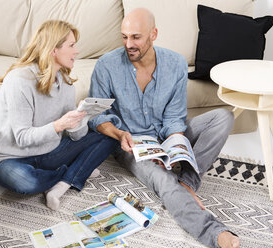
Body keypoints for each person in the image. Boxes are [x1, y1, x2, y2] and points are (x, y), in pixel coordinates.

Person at [89, 8, 239, 248]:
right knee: (163, 181)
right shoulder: (106, 66)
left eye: (136, 37)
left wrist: (172, 150)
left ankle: (187, 183)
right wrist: (119, 135)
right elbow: (96, 117)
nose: (129, 44)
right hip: (131, 145)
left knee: (223, 117)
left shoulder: (175, 63)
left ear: (153, 34)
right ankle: (212, 232)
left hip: (165, 135)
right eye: (124, 36)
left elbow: (174, 118)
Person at [0, 20, 118, 211]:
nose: (77, 51)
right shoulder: (19, 81)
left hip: (48, 152)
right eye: (71, 45)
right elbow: (23, 138)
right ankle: (76, 171)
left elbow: (76, 136)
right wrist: (59, 125)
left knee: (109, 136)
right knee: (27, 182)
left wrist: (80, 118)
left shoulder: (65, 83)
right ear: (53, 50)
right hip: (10, 159)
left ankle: (60, 185)